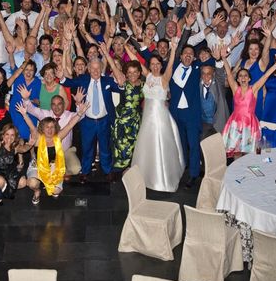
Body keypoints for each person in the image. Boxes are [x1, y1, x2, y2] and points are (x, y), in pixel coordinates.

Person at [132, 39, 185, 192]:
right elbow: (135, 60)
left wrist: (173, 49)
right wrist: (129, 49)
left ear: (161, 65)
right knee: (146, 147)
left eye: (157, 64)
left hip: (160, 118)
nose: (155, 66)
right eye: (152, 64)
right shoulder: (147, 76)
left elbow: (170, 66)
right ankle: (146, 176)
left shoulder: (164, 79)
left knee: (161, 147)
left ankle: (163, 179)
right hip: (147, 118)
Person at [61, 58, 122, 183]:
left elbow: (122, 87)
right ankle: (85, 171)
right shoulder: (83, 79)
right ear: (88, 69)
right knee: (87, 148)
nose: (95, 71)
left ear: (101, 69)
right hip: (87, 121)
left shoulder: (108, 81)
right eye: (92, 68)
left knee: (105, 148)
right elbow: (68, 82)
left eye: (98, 68)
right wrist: (61, 77)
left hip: (103, 120)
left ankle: (107, 171)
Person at [16, 101, 88, 205]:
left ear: (55, 129)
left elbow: (69, 125)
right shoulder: (39, 138)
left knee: (56, 191)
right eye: (47, 127)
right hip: (38, 166)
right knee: (32, 183)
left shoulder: (58, 137)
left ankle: (50, 182)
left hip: (54, 168)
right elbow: (32, 127)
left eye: (52, 127)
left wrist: (80, 114)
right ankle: (37, 191)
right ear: (42, 128)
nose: (49, 130)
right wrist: (24, 114)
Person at [220, 47, 276, 157]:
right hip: (235, 124)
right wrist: (223, 57)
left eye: (245, 76)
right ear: (237, 79)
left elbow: (265, 76)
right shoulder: (235, 89)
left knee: (248, 153)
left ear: (249, 79)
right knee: (236, 151)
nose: (243, 78)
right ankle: (237, 172)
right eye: (240, 76)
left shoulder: (254, 89)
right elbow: (228, 73)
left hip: (249, 124)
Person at [21, 87, 85, 178]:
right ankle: (54, 172)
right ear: (51, 105)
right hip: (48, 152)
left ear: (64, 105)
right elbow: (32, 109)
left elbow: (81, 116)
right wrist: (26, 99)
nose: (56, 107)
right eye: (54, 104)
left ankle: (63, 172)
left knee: (76, 168)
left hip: (65, 150)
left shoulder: (70, 115)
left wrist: (78, 104)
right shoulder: (46, 114)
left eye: (59, 104)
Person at [167, 42, 204, 189]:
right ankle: (183, 169)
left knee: (193, 144)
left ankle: (194, 174)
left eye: (191, 54)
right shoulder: (173, 66)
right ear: (180, 56)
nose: (188, 55)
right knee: (180, 144)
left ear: (194, 58)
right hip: (175, 113)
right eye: (185, 53)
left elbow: (212, 61)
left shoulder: (197, 69)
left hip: (191, 114)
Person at [103, 44, 144, 172]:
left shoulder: (144, 84)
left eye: (135, 72)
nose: (132, 75)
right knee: (121, 145)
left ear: (139, 73)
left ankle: (132, 170)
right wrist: (105, 52)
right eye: (129, 72)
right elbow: (114, 67)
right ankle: (118, 171)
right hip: (122, 120)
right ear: (126, 73)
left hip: (136, 120)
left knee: (135, 145)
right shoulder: (123, 82)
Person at [0, 122, 32, 200]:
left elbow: (24, 149)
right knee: (0, 181)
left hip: (9, 173)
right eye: (7, 134)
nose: (9, 137)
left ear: (15, 137)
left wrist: (30, 144)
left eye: (12, 135)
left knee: (23, 182)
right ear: (3, 135)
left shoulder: (14, 147)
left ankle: (4, 189)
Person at [200, 62, 229, 138]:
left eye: (209, 73)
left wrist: (218, 60)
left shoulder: (218, 84)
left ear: (213, 74)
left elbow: (220, 74)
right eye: (203, 73)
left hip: (219, 123)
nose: (206, 76)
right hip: (204, 123)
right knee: (205, 147)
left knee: (220, 148)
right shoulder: (197, 84)